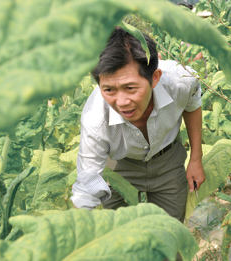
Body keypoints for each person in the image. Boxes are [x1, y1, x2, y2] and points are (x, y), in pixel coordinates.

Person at [70, 27, 205, 222]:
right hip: (118, 166)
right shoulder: (95, 118)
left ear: (155, 78)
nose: (122, 101)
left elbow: (192, 105)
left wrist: (195, 159)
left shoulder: (181, 81)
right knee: (119, 235)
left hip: (167, 159)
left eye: (130, 88)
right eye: (109, 89)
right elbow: (87, 183)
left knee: (168, 234)